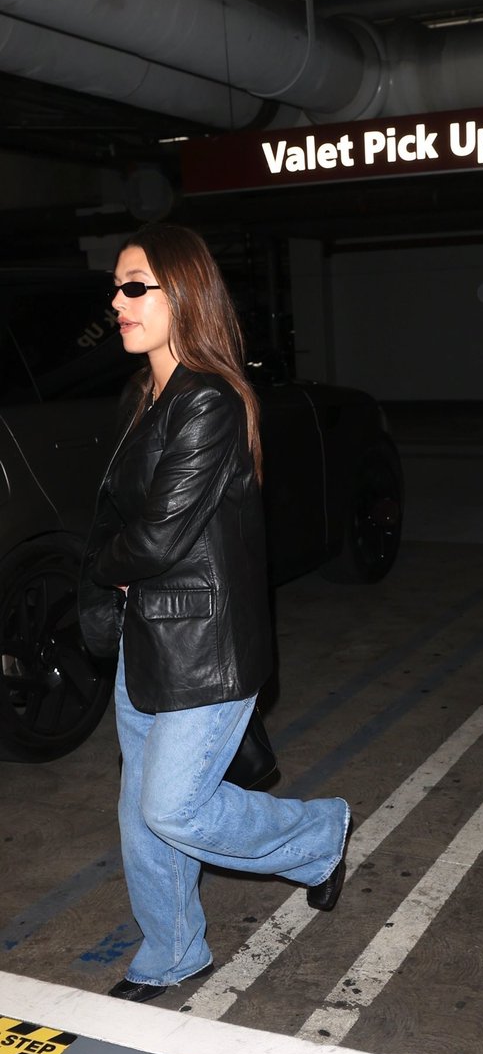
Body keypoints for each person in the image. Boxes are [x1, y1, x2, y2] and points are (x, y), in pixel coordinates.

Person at [79, 223, 351, 1001]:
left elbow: (159, 535)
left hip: (205, 645)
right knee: (142, 815)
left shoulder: (210, 401)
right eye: (118, 287)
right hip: (147, 639)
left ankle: (318, 835)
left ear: (184, 294)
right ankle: (171, 952)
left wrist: (95, 566)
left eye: (136, 287)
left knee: (174, 807)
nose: (119, 301)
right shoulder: (147, 393)